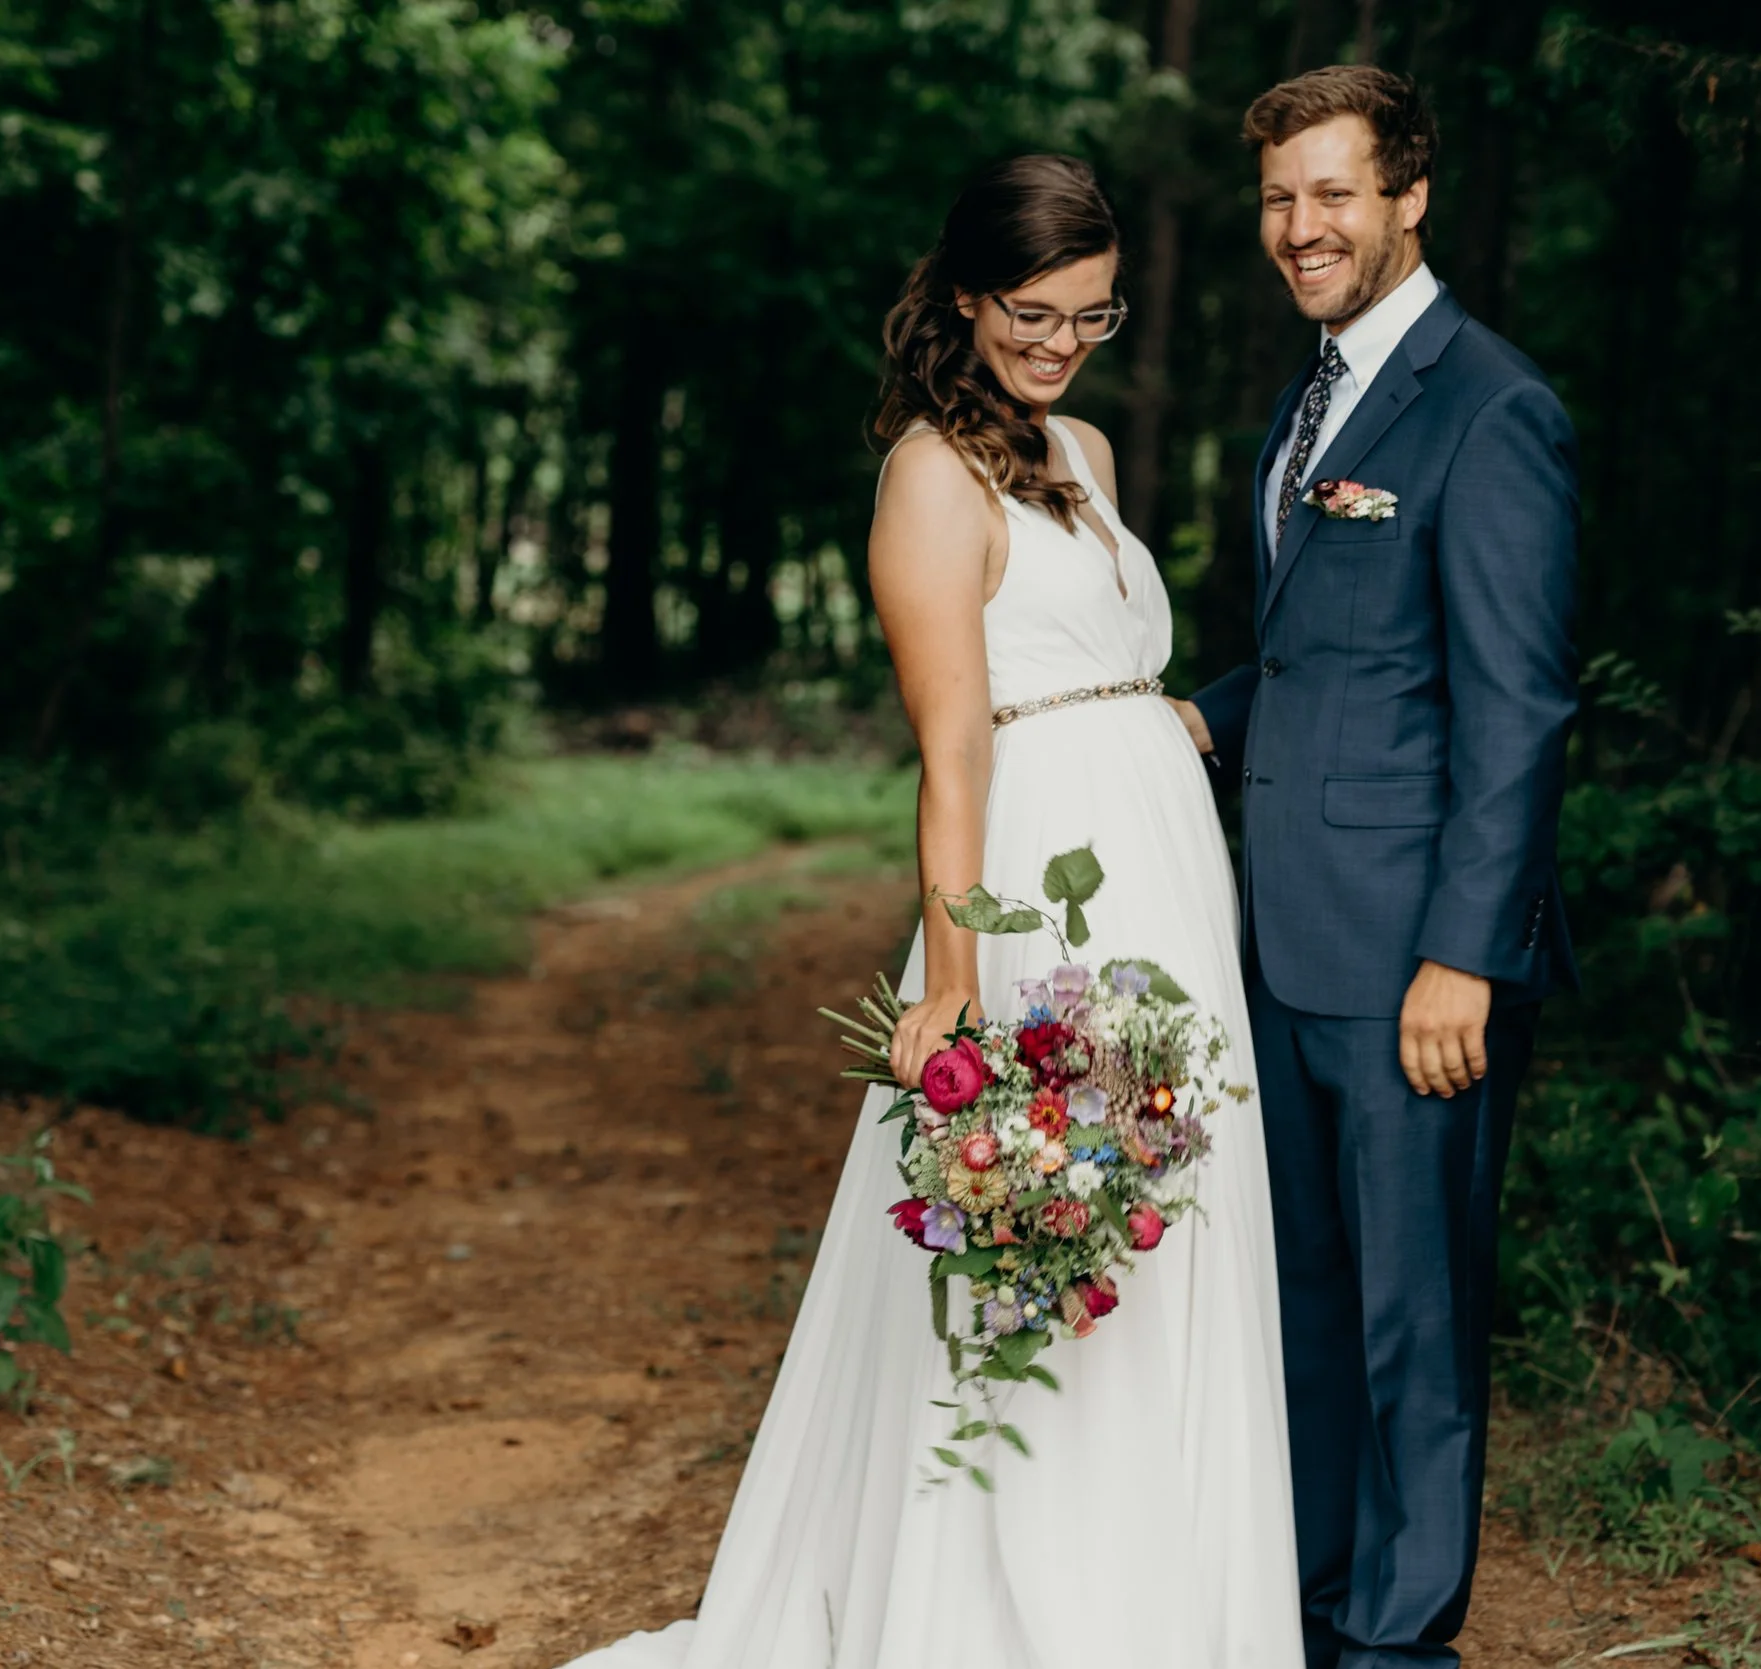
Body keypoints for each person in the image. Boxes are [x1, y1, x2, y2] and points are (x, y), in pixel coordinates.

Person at [559, 153, 1303, 1669]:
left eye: (1090, 318)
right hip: (1043, 888)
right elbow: (955, 743)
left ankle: (1176, 1605)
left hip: (1164, 876)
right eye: (1031, 313)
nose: (1058, 345)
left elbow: (1117, 666)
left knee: (1172, 1225)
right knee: (1054, 1226)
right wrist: (955, 971)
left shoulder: (1081, 449)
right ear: (965, 296)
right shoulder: (926, 474)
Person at [1180, 66, 1581, 1669]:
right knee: (1309, 1319)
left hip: (1415, 963)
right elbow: (1316, 661)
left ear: (1413, 197)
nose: (1303, 227)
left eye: (1335, 194)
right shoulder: (1311, 394)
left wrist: (1464, 955)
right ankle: (1316, 1613)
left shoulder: (1492, 406)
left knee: (1416, 1331)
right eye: (1281, 198)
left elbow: (1519, 704)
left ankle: (1403, 1646)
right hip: (1278, 944)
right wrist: (1150, 732)